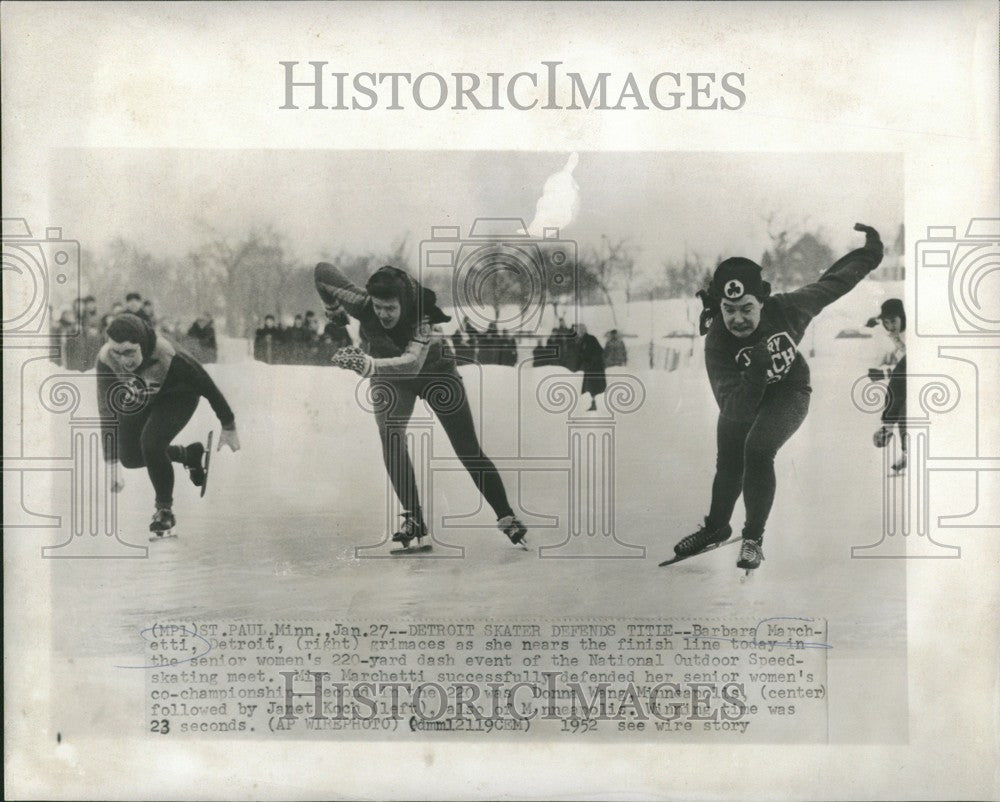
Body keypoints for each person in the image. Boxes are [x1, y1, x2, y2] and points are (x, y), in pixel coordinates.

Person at [674, 223, 884, 570]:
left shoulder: (788, 308)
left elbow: (834, 283)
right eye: (729, 310)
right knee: (729, 461)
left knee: (757, 450)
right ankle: (715, 527)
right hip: (741, 399)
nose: (738, 319)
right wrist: (756, 371)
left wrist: (871, 251)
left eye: (747, 308)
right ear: (719, 307)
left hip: (790, 390)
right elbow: (735, 409)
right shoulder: (718, 341)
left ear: (763, 301)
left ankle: (753, 539)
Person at [314, 261, 527, 548]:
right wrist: (333, 308)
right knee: (390, 436)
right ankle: (413, 518)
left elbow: (412, 365)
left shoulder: (422, 319)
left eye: (390, 308)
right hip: (389, 377)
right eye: (378, 308)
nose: (383, 314)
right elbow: (323, 272)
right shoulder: (363, 304)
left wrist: (368, 365)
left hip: (435, 374)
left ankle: (506, 517)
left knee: (466, 447)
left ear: (403, 303)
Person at [96, 313, 240, 534]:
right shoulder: (106, 358)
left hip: (178, 396)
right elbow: (107, 409)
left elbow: (208, 387)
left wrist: (228, 424)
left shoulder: (170, 356)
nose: (124, 360)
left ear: (142, 345)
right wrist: (112, 462)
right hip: (143, 394)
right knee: (130, 457)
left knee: (151, 444)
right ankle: (188, 454)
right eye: (118, 352)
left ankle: (164, 511)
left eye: (129, 352)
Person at [865, 298, 907, 473]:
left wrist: (884, 372)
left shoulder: (913, 331)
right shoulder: (889, 336)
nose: (891, 327)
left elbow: (915, 362)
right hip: (905, 379)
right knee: (898, 400)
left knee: (903, 407)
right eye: (886, 323)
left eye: (894, 321)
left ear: (902, 318)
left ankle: (888, 427)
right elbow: (874, 369)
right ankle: (903, 450)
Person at [574, 324, 607, 411]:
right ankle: (593, 404)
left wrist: (592, 360)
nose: (578, 332)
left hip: (595, 367)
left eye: (580, 330)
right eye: (578, 331)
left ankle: (595, 405)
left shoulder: (591, 339)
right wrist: (577, 367)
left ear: (584, 331)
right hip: (589, 368)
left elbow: (600, 351)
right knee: (590, 387)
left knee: (594, 387)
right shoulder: (581, 341)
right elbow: (580, 355)